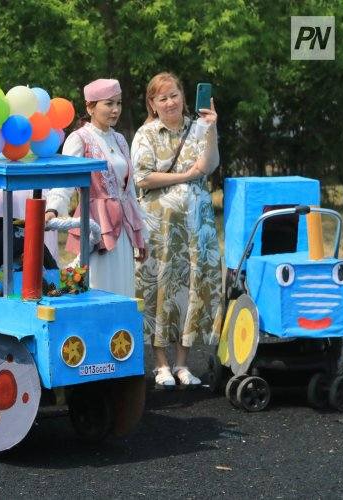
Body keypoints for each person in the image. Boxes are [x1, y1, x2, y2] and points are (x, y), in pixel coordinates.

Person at [131, 72, 221, 388]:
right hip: (159, 228)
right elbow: (142, 178)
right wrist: (185, 177)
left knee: (191, 287)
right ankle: (160, 365)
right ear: (152, 104)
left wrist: (210, 129)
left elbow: (208, 166)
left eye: (174, 95)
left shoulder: (197, 129)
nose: (170, 102)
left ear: (183, 96)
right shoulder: (145, 134)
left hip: (196, 228)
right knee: (159, 288)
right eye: (162, 98)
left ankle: (183, 363)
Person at [45, 78, 147, 296]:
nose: (116, 110)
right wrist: (52, 208)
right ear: (90, 107)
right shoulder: (80, 138)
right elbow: (65, 179)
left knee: (123, 289)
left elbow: (129, 190)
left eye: (118, 103)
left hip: (124, 226)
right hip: (96, 227)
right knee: (96, 285)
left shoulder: (119, 139)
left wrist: (141, 234)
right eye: (108, 104)